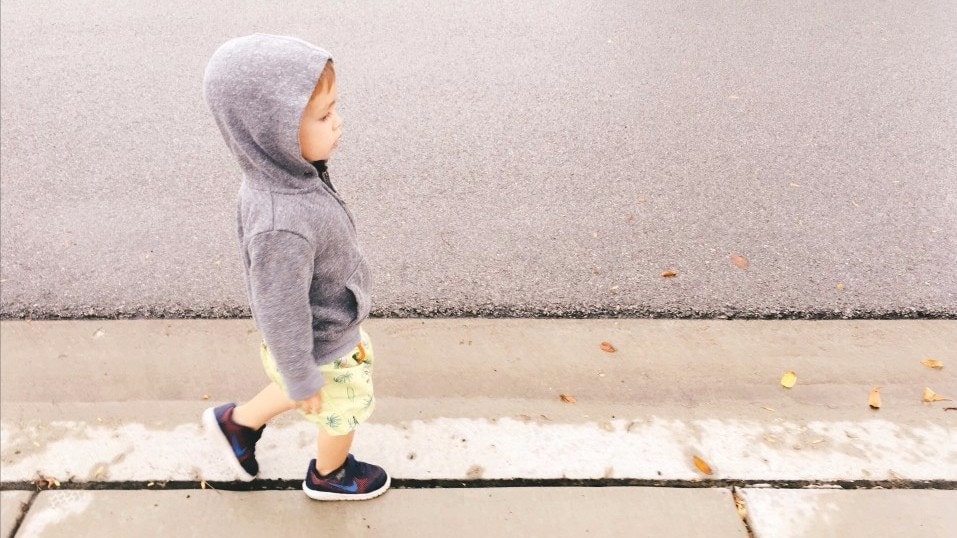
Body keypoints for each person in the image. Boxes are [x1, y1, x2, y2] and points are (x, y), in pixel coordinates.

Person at [200, 33, 389, 501]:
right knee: (341, 409)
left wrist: (297, 373)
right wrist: (305, 372)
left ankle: (238, 424)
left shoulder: (288, 176)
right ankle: (331, 473)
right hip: (322, 343)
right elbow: (279, 305)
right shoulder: (281, 221)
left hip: (310, 340)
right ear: (272, 133)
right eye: (324, 116)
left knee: (292, 384)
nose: (338, 123)